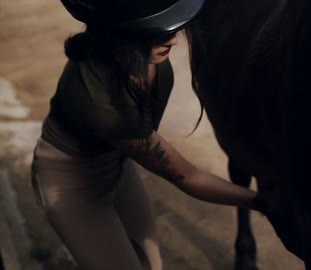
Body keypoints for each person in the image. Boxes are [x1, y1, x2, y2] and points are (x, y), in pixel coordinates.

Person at [30, 1, 264, 269]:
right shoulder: (102, 101)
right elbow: (188, 176)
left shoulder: (150, 62)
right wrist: (263, 203)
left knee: (151, 263)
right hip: (70, 184)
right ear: (117, 34)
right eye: (157, 31)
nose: (174, 40)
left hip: (118, 166)